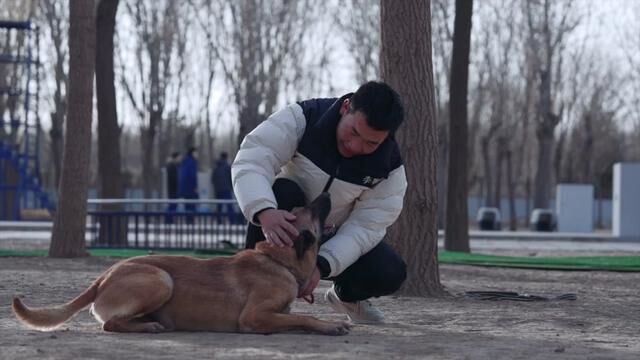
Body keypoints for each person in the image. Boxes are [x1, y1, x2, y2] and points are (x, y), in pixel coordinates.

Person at [232, 81, 407, 324]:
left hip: (334, 236)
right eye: (354, 132)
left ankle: (345, 297)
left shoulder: (390, 168)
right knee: (282, 190)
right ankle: (252, 293)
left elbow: (366, 227)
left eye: (371, 143)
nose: (356, 147)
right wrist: (264, 210)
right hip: (284, 221)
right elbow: (253, 159)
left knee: (390, 271)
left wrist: (321, 265)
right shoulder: (303, 117)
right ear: (346, 107)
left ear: (386, 138)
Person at [211, 152, 233, 223]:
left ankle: (219, 221)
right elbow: (231, 178)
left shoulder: (216, 167)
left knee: (219, 206)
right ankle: (232, 221)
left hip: (218, 190)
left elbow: (213, 179)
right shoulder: (227, 167)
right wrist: (231, 188)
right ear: (226, 158)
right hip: (226, 189)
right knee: (229, 206)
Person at [179, 146, 199, 224]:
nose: (197, 154)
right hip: (191, 188)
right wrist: (195, 187)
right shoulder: (192, 162)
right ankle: (191, 221)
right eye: (196, 152)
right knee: (192, 205)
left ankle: (188, 221)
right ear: (192, 153)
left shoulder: (185, 162)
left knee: (187, 205)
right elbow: (192, 176)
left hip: (185, 188)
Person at [165, 151, 180, 223]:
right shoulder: (171, 166)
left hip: (173, 189)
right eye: (179, 157)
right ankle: (169, 219)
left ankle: (170, 219)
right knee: (172, 205)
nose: (180, 159)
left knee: (173, 205)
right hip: (173, 189)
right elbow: (173, 178)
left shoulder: (173, 166)